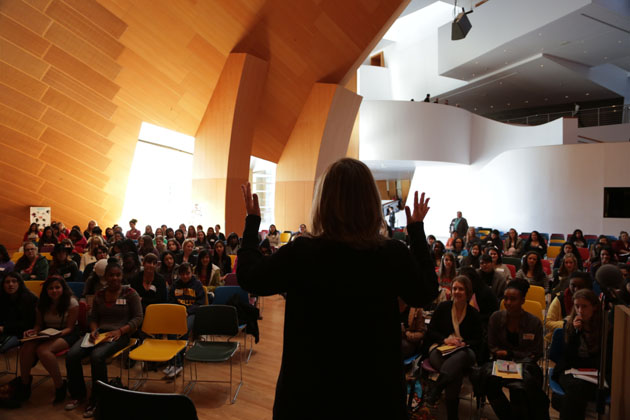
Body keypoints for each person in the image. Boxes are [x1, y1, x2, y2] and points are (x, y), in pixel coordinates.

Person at [237, 158, 439, 419]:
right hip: (375, 396)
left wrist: (252, 222)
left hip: (308, 397)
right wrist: (417, 232)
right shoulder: (391, 254)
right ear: (371, 203)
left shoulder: (302, 253)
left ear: (323, 202)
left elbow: (250, 278)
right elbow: (426, 292)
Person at [65, 261, 143, 417]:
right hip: (99, 334)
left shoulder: (130, 293)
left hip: (120, 335)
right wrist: (94, 330)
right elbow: (93, 317)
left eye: (117, 275)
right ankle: (78, 394)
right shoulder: (100, 294)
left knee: (97, 356)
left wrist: (120, 331)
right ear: (105, 277)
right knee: (72, 355)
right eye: (111, 275)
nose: (114, 278)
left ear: (122, 276)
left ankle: (98, 398)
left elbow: (138, 318)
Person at [482, 279, 549, 420]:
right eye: (505, 298)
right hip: (501, 363)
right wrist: (503, 354)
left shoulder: (533, 322)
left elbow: (536, 352)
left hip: (525, 365)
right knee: (487, 381)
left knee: (519, 387)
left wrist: (510, 353)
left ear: (522, 301)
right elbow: (492, 346)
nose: (508, 303)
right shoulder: (496, 318)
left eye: (513, 299)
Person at [423, 276, 482, 420]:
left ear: (468, 292)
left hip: (464, 352)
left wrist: (463, 343)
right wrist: (445, 339)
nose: (456, 292)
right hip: (441, 349)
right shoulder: (443, 307)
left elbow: (479, 340)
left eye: (461, 289)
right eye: (454, 288)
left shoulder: (474, 314)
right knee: (455, 374)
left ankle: (437, 389)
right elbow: (430, 331)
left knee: (461, 356)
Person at [16, 276, 79, 404]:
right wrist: (33, 330)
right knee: (26, 347)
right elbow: (39, 324)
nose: (54, 291)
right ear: (46, 290)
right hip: (47, 332)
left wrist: (57, 334)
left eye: (57, 287)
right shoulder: (41, 303)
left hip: (66, 333)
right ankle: (25, 383)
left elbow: (70, 327)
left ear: (63, 288)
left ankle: (60, 385)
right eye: (50, 288)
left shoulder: (72, 303)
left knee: (43, 351)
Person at [553, 289, 608, 420]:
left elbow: (603, 358)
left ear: (594, 307)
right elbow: (568, 358)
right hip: (570, 371)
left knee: (576, 392)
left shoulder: (604, 327)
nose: (580, 310)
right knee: (576, 388)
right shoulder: (570, 325)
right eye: (577, 306)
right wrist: (575, 334)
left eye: (584, 306)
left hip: (595, 373)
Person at [167, 263, 205, 378]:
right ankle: (175, 361)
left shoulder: (197, 285)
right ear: (179, 275)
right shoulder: (175, 285)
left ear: (191, 273)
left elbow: (200, 302)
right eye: (182, 274)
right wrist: (179, 311)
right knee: (171, 332)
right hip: (178, 313)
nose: (185, 276)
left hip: (192, 313)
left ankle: (177, 363)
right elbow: (171, 300)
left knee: (183, 330)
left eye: (187, 273)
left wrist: (188, 311)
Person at [545, 272, 591, 343]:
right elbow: (548, 323)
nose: (576, 289)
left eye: (580, 286)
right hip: (562, 340)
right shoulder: (560, 299)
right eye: (573, 285)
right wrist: (568, 324)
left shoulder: (592, 301)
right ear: (569, 285)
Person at [0, 272, 37, 354]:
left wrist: (4, 328)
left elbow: (28, 324)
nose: (10, 284)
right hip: (4, 331)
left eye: (14, 281)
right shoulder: (2, 297)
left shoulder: (30, 299)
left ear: (19, 283)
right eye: (7, 282)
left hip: (21, 334)